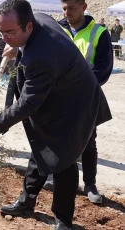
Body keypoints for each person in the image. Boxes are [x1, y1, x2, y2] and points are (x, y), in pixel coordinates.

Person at [0, 1, 112, 229]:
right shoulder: (39, 18)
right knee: (41, 148)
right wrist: (17, 46)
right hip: (58, 96)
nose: (5, 38)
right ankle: (26, 202)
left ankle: (63, 219)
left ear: (28, 26)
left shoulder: (40, 57)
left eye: (10, 33)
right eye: (2, 32)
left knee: (63, 160)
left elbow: (28, 103)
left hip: (76, 107)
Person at [40, 0, 114, 204]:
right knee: (57, 139)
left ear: (84, 6)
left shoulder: (99, 32)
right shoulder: (55, 30)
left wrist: (80, 86)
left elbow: (104, 68)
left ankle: (90, 184)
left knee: (88, 141)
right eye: (64, 8)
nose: (67, 12)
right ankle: (55, 177)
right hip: (58, 97)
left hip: (86, 97)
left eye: (71, 8)